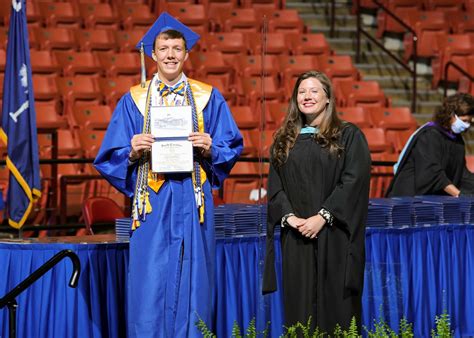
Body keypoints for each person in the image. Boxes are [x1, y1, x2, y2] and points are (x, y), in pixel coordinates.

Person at [94, 13, 243, 337]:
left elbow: (231, 145)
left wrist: (211, 148)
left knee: (195, 275)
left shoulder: (208, 97)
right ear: (153, 54)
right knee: (150, 275)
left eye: (177, 48)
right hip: (153, 198)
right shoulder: (134, 99)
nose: (171, 54)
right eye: (164, 48)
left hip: (193, 197)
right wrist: (132, 150)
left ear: (187, 54)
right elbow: (109, 156)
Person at [262, 71, 371, 334]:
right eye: (301, 92)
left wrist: (323, 216)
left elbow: (353, 181)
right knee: (300, 311)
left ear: (327, 99)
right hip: (297, 236)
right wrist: (289, 217)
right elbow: (275, 188)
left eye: (314, 91)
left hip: (335, 236)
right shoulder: (285, 139)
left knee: (337, 309)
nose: (307, 96)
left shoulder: (348, 136)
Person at [386, 93, 474, 197]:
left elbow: (461, 174)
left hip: (433, 201)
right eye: (464, 121)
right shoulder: (429, 136)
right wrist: (459, 194)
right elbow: (432, 173)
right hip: (410, 200)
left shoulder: (457, 140)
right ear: (451, 114)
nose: (467, 125)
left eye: (469, 122)